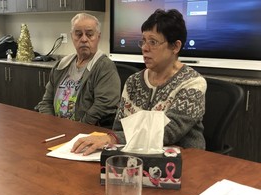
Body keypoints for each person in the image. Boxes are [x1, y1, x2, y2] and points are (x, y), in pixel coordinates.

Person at [71, 9, 207, 155]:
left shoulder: (192, 83)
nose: (144, 48)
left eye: (153, 42)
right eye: (143, 41)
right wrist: (114, 138)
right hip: (135, 157)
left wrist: (113, 139)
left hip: (183, 162)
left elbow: (169, 132)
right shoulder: (133, 81)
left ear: (175, 47)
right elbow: (119, 127)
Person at [36, 13, 121, 127]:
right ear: (72, 37)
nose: (84, 39)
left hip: (85, 133)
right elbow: (46, 102)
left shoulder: (104, 66)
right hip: (56, 130)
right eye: (79, 34)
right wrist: (52, 125)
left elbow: (103, 106)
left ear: (98, 37)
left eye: (89, 34)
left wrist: (78, 128)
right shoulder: (61, 65)